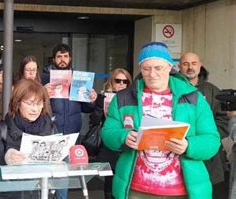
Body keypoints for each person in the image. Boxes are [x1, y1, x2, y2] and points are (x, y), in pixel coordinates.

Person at [102, 42, 221, 198]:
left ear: (169, 67)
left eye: (158, 68)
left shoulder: (193, 97)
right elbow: (107, 133)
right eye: (146, 68)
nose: (152, 74)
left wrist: (188, 145)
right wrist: (123, 136)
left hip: (183, 191)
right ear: (140, 69)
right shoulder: (123, 98)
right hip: (136, 190)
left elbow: (212, 140)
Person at [41, 44, 97, 199]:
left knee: (63, 170)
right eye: (59, 56)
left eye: (65, 56)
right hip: (50, 130)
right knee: (45, 168)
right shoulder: (44, 78)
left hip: (72, 131)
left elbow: (86, 108)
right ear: (54, 59)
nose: (62, 60)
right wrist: (43, 93)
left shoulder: (79, 78)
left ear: (70, 58)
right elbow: (36, 105)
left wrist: (91, 100)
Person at [0, 79, 54, 198]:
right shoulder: (2, 129)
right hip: (10, 195)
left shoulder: (50, 127)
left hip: (41, 193)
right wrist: (6, 159)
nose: (35, 109)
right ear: (17, 103)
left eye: (38, 103)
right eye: (29, 103)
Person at [179, 52, 229, 198]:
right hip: (178, 151)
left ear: (200, 66)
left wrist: (207, 139)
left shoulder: (212, 90)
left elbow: (224, 119)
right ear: (179, 66)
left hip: (209, 158)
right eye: (185, 64)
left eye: (194, 64)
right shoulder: (172, 89)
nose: (190, 68)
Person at [89, 68, 132, 199]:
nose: (121, 84)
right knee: (110, 181)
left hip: (128, 144)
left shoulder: (134, 100)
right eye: (118, 80)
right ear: (111, 82)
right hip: (109, 145)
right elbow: (94, 121)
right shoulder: (103, 97)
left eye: (125, 82)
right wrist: (99, 107)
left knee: (126, 179)